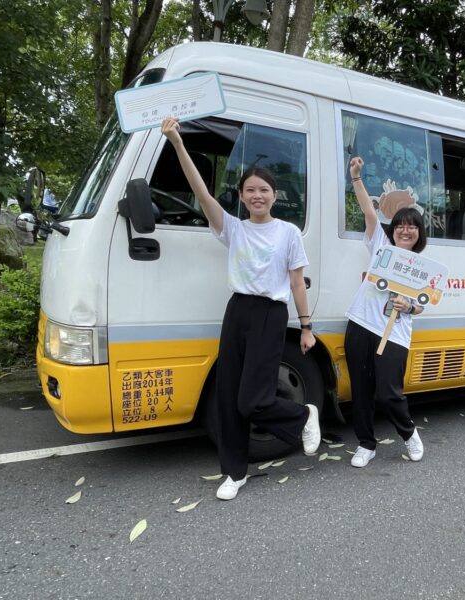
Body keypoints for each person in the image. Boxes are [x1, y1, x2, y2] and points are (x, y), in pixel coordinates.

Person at [160, 116, 321, 499]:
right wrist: (178, 143)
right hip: (237, 312)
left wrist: (306, 326)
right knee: (230, 397)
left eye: (264, 190)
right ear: (242, 195)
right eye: (250, 190)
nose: (257, 195)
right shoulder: (234, 228)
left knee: (254, 400)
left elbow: (297, 282)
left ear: (274, 196)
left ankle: (303, 415)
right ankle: (235, 472)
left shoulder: (288, 233)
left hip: (270, 314)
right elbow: (201, 193)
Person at [345, 156, 425, 467]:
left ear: (419, 233)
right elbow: (368, 209)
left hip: (394, 332)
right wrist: (356, 178)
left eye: (412, 227)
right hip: (361, 323)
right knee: (361, 390)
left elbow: (423, 304)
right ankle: (366, 444)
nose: (405, 231)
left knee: (389, 393)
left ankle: (408, 434)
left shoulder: (423, 267)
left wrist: (410, 306)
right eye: (401, 226)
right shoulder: (380, 244)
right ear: (394, 230)